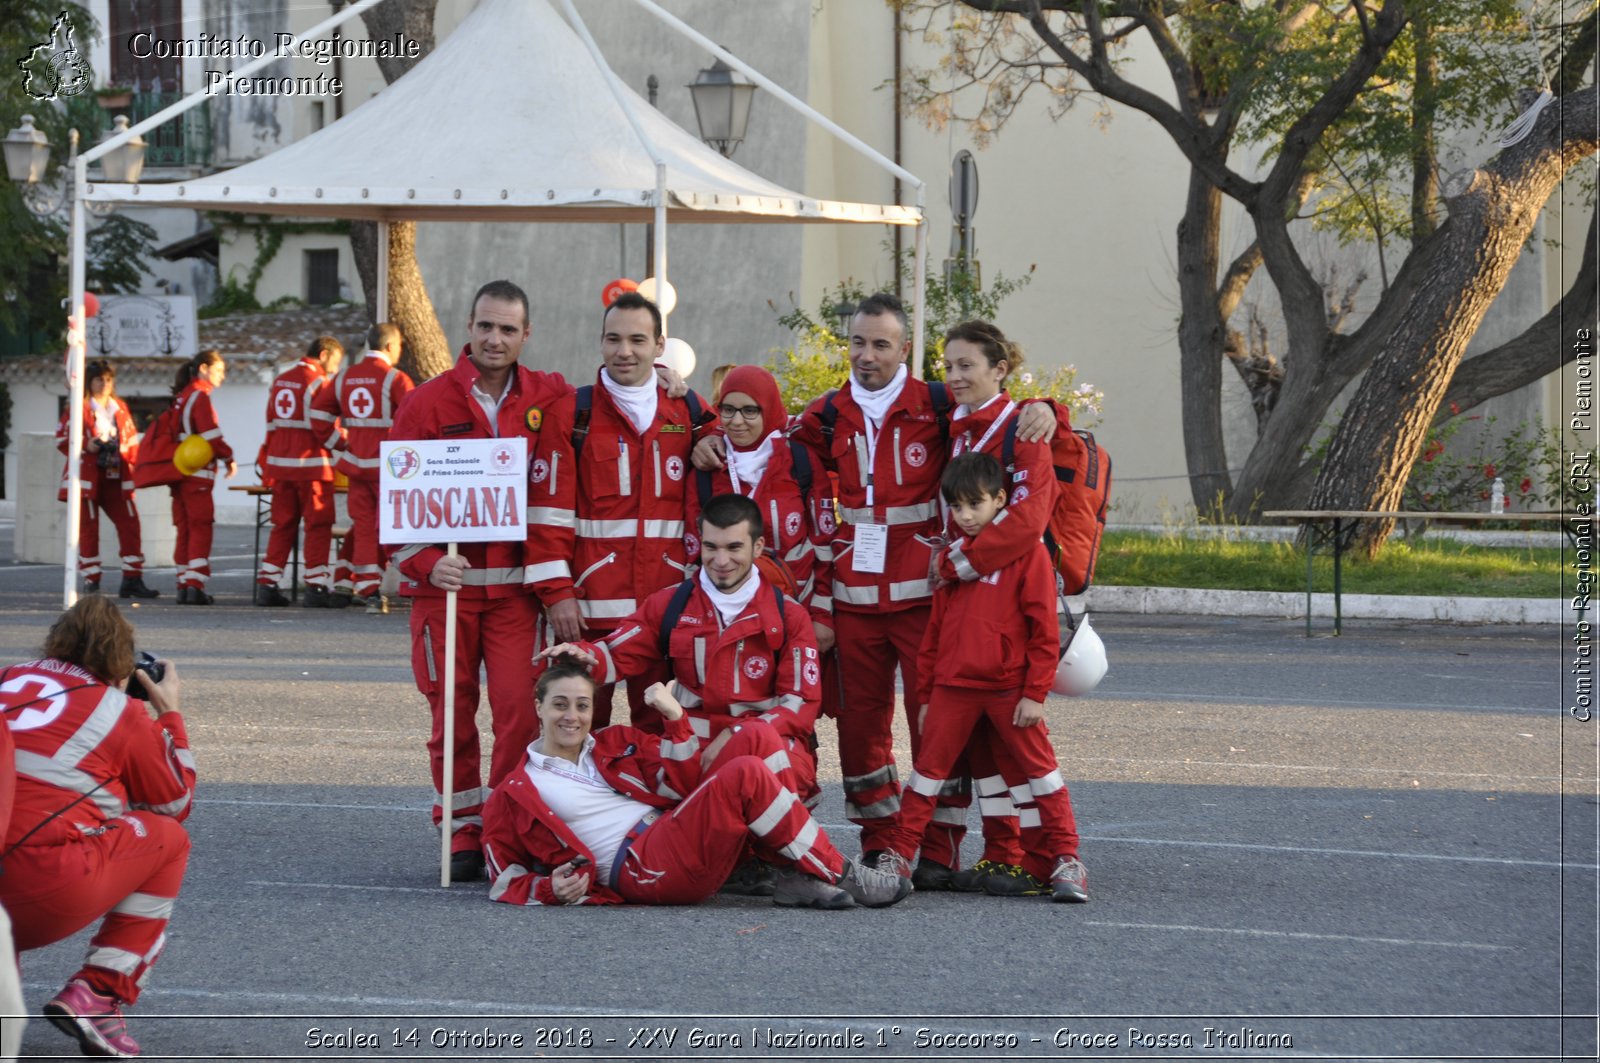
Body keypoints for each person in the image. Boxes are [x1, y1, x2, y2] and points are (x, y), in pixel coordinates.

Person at [538, 492, 824, 891]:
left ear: (758, 547)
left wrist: (742, 735)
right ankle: (738, 860)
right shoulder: (671, 605)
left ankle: (787, 866)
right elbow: (619, 648)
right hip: (695, 746)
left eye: (734, 548)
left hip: (765, 742)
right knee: (659, 761)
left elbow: (801, 704)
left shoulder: (788, 613)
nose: (721, 560)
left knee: (781, 758)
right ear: (698, 544)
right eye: (711, 547)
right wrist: (582, 655)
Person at [387, 280, 574, 883]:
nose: (495, 339)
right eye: (485, 326)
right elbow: (396, 508)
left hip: (515, 596)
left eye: (508, 329)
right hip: (445, 596)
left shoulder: (550, 394)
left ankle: (504, 824)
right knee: (450, 716)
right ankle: (461, 829)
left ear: (526, 336)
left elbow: (613, 405)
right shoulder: (425, 403)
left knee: (520, 714)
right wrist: (422, 562)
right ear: (468, 327)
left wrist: (670, 382)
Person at [480, 660, 908, 909]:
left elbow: (679, 783)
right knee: (744, 776)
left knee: (755, 736)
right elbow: (502, 876)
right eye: (559, 705)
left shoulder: (611, 743)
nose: (570, 716)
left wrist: (675, 719)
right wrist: (548, 889)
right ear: (538, 707)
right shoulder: (515, 789)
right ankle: (848, 876)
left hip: (672, 827)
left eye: (581, 705)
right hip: (641, 866)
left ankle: (783, 870)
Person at [878, 452, 1088, 902]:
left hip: (1009, 690)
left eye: (976, 504)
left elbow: (1043, 631)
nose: (966, 516)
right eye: (957, 507)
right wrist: (927, 694)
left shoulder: (1027, 555)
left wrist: (1034, 694)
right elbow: (933, 634)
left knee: (1040, 774)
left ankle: (1066, 859)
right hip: (953, 691)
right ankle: (899, 855)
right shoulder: (952, 560)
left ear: (1001, 500)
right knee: (926, 777)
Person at [0, 596, 194, 1057]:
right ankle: (100, 992)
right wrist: (170, 716)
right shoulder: (118, 712)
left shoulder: (8, 677)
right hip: (37, 891)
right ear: (123, 664)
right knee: (168, 839)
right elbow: (174, 801)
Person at [927, 320, 1073, 891]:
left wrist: (958, 566)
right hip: (964, 605)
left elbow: (1028, 520)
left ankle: (1046, 856)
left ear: (1000, 370)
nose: (955, 376)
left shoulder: (1022, 427)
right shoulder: (959, 426)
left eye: (968, 366)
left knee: (1020, 747)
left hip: (1007, 602)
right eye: (948, 366)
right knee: (984, 748)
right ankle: (1004, 853)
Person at [525, 292, 712, 731]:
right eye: (613, 339)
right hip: (590, 612)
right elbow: (547, 513)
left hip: (665, 607)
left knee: (663, 727)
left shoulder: (685, 409)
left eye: (637, 340)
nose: (624, 351)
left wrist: (711, 437)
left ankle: (655, 802)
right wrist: (557, 594)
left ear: (659, 346)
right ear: (600, 342)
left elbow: (728, 433)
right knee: (580, 729)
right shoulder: (574, 413)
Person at [685, 365, 830, 628]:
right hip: (726, 618)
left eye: (750, 410)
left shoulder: (800, 462)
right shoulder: (706, 469)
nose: (736, 421)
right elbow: (693, 554)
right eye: (728, 409)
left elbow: (825, 545)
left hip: (797, 611)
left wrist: (823, 617)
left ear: (770, 408)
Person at [311, 322, 415, 614]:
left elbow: (318, 414)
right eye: (400, 347)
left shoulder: (344, 377)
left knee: (365, 527)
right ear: (391, 346)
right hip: (389, 471)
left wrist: (341, 443)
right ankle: (376, 587)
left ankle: (362, 589)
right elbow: (416, 420)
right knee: (391, 529)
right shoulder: (395, 379)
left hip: (356, 467)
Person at [54, 360, 158, 598]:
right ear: (90, 382)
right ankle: (92, 581)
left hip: (117, 474)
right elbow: (61, 439)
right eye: (99, 379)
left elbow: (132, 441)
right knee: (89, 529)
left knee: (130, 524)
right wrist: (86, 444)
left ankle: (132, 578)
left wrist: (123, 454)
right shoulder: (78, 408)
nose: (105, 384)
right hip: (87, 475)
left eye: (109, 379)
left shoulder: (119, 407)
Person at [256, 336, 344, 608]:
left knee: (282, 525)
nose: (335, 368)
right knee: (318, 524)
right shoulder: (319, 382)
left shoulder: (282, 379)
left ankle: (268, 584)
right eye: (336, 361)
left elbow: (270, 423)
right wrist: (345, 445)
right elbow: (325, 425)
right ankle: (315, 586)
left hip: (280, 464)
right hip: (311, 465)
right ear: (325, 354)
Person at [168, 349, 236, 605]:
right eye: (219, 370)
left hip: (180, 471)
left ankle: (184, 582)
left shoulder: (182, 396)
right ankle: (195, 584)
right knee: (200, 526)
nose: (223, 376)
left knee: (184, 528)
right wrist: (228, 458)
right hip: (197, 473)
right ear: (204, 369)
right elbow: (210, 434)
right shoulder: (200, 397)